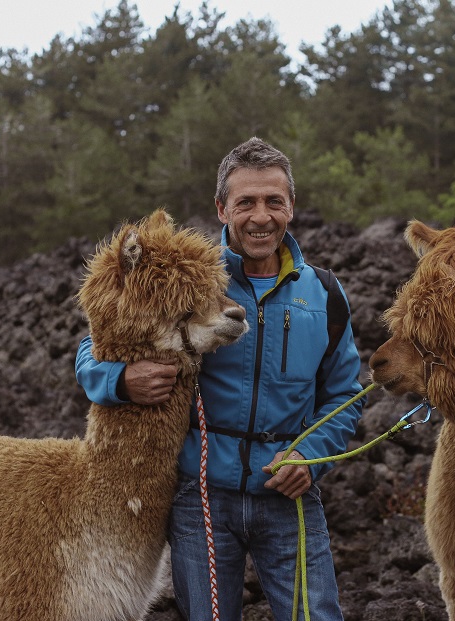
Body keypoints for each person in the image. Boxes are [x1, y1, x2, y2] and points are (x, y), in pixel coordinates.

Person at [75, 137, 364, 621]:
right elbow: (98, 343)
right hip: (201, 496)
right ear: (222, 209)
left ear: (291, 206)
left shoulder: (324, 295)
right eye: (245, 202)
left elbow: (344, 396)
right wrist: (120, 381)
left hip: (287, 491)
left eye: (274, 201)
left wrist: (311, 458)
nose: (260, 216)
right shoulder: (189, 280)